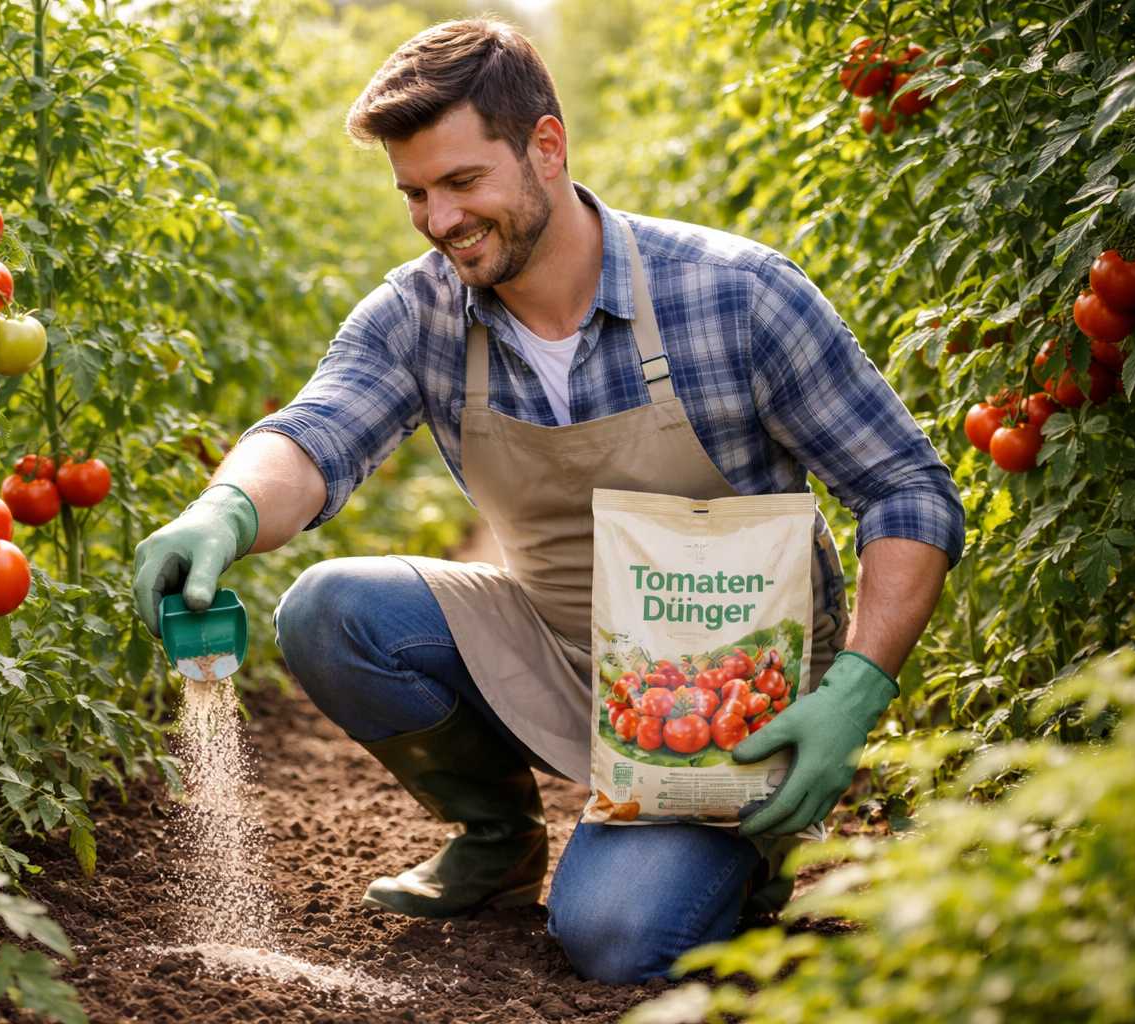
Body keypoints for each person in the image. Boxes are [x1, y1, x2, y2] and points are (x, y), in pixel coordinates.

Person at [132, 17, 963, 983]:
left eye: (462, 182)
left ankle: (750, 848)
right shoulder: (423, 312)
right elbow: (317, 434)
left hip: (735, 688)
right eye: (414, 193)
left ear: (547, 146)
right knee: (330, 610)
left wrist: (856, 691)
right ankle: (499, 837)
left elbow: (906, 487)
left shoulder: (737, 296)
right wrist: (224, 509)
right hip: (559, 645)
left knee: (617, 937)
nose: (439, 220)